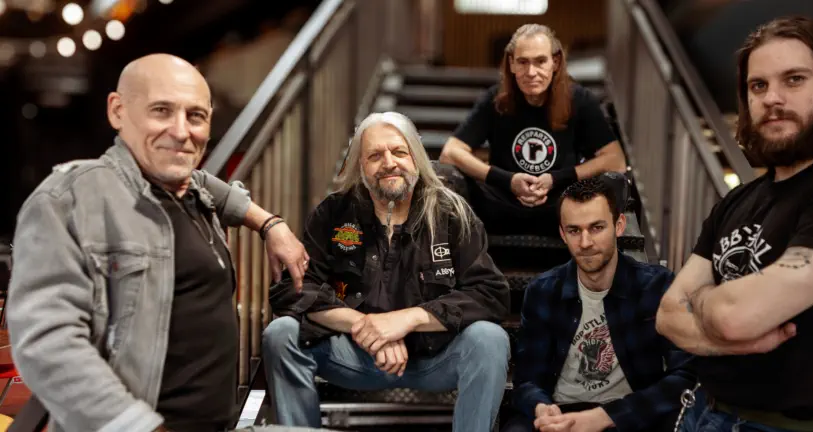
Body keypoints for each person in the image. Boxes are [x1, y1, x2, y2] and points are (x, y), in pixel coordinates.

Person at [7, 54, 310, 432]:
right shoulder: (69, 199)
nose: (181, 132)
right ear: (117, 111)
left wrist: (271, 225)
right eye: (161, 111)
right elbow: (48, 345)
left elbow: (210, 186)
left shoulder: (189, 191)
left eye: (195, 116)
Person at [655, 16, 813, 432]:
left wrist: (701, 300)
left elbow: (737, 316)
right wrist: (733, 337)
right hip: (704, 411)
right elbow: (667, 316)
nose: (772, 98)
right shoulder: (739, 200)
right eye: (758, 86)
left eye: (794, 80)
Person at [262, 111, 511, 431]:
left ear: (416, 158)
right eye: (375, 155)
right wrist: (366, 326)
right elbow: (295, 288)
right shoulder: (334, 212)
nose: (389, 163)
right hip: (353, 357)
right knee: (281, 333)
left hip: (435, 357)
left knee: (490, 338)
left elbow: (490, 293)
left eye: (399, 152)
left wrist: (407, 320)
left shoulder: (451, 213)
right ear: (360, 166)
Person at [505, 175, 695, 432]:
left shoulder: (655, 286)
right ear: (562, 234)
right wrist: (541, 407)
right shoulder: (543, 290)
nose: (585, 243)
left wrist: (607, 416)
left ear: (619, 226)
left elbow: (686, 375)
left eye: (596, 228)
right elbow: (526, 380)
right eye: (574, 230)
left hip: (626, 416)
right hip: (561, 414)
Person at [438, 24, 628, 237]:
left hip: (563, 206)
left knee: (614, 181)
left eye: (540, 61)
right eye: (523, 62)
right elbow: (450, 152)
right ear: (511, 63)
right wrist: (507, 180)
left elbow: (616, 160)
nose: (531, 72)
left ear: (555, 62)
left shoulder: (580, 100)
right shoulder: (495, 99)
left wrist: (555, 179)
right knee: (443, 173)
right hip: (501, 204)